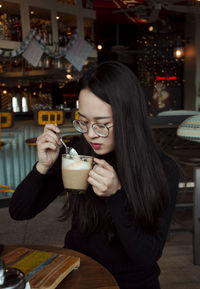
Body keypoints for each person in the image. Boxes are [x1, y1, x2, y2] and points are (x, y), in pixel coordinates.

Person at [9, 61, 179, 289]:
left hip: (130, 282)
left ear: (128, 119)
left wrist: (115, 195)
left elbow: (146, 256)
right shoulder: (78, 154)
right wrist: (42, 167)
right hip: (80, 273)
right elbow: (19, 211)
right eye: (84, 122)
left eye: (102, 125)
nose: (90, 135)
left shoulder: (162, 168)